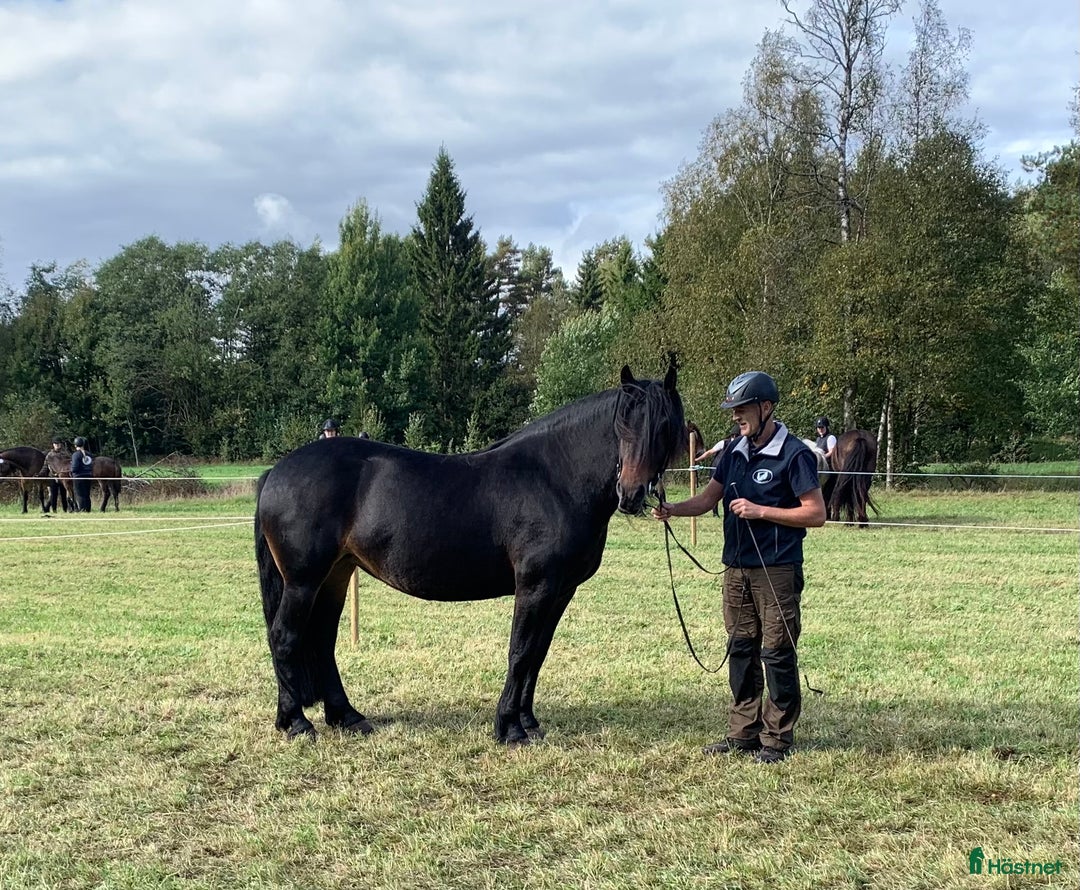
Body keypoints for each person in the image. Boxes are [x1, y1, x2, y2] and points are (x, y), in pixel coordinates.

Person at [651, 371, 826, 764]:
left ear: (766, 408)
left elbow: (816, 514)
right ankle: (742, 732)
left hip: (777, 569)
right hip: (736, 569)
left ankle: (777, 738)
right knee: (741, 648)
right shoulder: (733, 452)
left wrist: (760, 510)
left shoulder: (794, 454)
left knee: (777, 650)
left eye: (742, 409)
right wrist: (673, 510)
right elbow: (708, 498)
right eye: (733, 410)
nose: (736, 417)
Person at [45, 436, 71, 514]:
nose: (57, 445)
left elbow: (69, 463)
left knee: (64, 494)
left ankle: (65, 509)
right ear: (53, 444)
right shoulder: (49, 455)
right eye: (56, 444)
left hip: (63, 477)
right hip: (53, 477)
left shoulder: (65, 454)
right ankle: (54, 510)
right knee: (53, 495)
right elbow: (45, 466)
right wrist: (40, 475)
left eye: (59, 444)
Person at [70, 436, 94, 513]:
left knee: (80, 495)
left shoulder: (76, 455)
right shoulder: (89, 454)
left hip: (78, 477)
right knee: (87, 494)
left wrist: (71, 470)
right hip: (88, 476)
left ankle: (82, 510)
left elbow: (74, 468)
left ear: (75, 445)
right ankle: (88, 510)